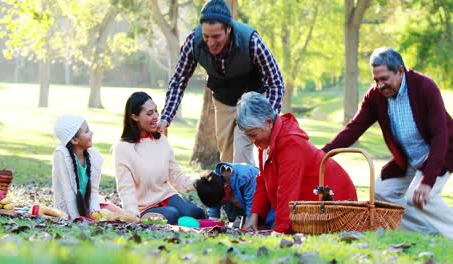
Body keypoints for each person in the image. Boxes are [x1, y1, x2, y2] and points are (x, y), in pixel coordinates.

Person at [322, 47, 453, 238]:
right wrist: (324, 153)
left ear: (400, 71)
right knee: (381, 193)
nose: (380, 85)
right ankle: (426, 230)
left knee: (424, 195)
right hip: (407, 159)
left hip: (440, 152)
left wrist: (427, 180)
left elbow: (440, 136)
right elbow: (354, 128)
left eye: (384, 79)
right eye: (376, 80)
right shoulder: (376, 96)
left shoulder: (425, 87)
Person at [158, 0, 285, 165]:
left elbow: (276, 82)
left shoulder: (251, 41)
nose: (210, 42)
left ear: (229, 29)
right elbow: (178, 81)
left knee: (242, 153)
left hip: (250, 100)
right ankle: (232, 189)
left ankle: (249, 189)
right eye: (206, 36)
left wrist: (270, 118)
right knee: (227, 159)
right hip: (223, 101)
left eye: (216, 36)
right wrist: (166, 118)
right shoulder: (193, 42)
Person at [236, 92, 358, 234]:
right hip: (310, 211)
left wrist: (280, 231)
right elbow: (263, 180)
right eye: (248, 136)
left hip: (336, 205)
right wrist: (254, 216)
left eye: (253, 135)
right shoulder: (267, 142)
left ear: (268, 123)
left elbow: (287, 190)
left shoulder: (291, 143)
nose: (252, 141)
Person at [113, 91, 206, 224]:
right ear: (134, 117)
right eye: (149, 113)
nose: (156, 116)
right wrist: (133, 216)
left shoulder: (161, 140)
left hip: (167, 196)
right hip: (145, 206)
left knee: (196, 213)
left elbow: (175, 175)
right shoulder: (122, 148)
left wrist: (199, 182)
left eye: (156, 111)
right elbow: (125, 188)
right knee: (172, 215)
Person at [52, 114, 122, 220]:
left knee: (124, 217)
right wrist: (77, 220)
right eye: (87, 131)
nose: (92, 133)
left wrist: (96, 216)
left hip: (89, 207)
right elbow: (68, 193)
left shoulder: (94, 157)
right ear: (74, 140)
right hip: (69, 212)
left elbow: (93, 192)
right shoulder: (61, 155)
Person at [195, 162, 275, 228]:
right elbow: (214, 206)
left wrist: (248, 226)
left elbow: (252, 206)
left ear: (226, 188)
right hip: (241, 202)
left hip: (267, 203)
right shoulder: (213, 181)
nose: (219, 205)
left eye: (220, 203)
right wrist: (211, 223)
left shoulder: (246, 177)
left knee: (271, 222)